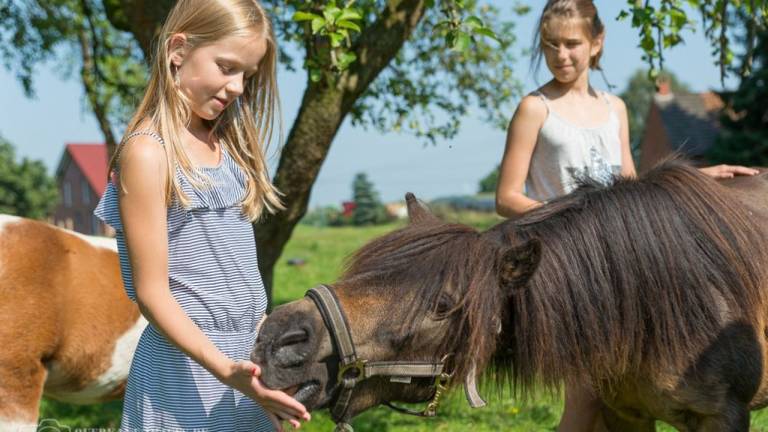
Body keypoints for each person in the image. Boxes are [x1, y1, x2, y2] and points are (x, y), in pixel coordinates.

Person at [494, 0, 758, 429]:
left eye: (572, 44)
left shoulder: (614, 107)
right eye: (550, 45)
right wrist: (580, 220)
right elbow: (506, 197)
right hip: (572, 267)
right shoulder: (535, 108)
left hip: (620, 265)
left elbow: (629, 187)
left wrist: (698, 177)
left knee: (621, 392)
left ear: (596, 43)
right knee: (585, 400)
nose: (562, 55)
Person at [93, 1, 310, 430]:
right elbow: (152, 295)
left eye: (246, 75)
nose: (238, 88)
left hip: (247, 364)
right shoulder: (148, 152)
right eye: (227, 67)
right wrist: (225, 369)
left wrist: (266, 353)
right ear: (178, 50)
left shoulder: (228, 148)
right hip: (185, 374)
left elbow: (238, 273)